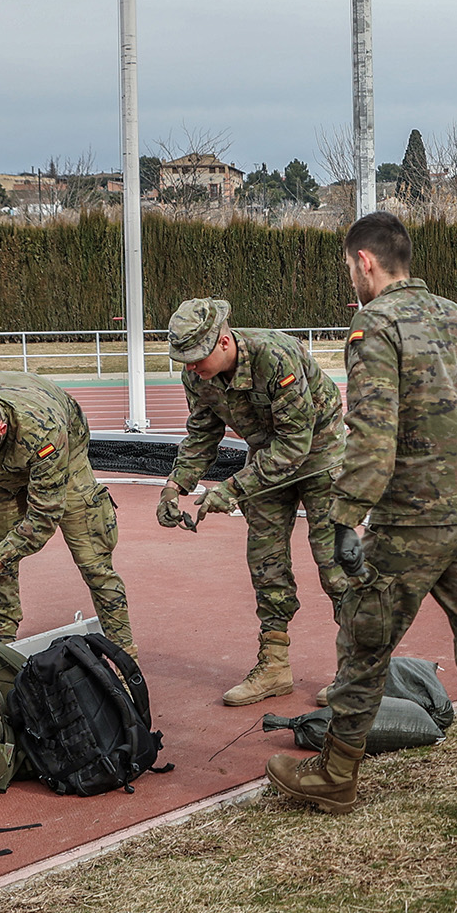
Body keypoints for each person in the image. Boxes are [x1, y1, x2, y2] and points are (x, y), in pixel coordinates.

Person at [266, 210, 457, 832]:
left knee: (364, 641)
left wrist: (345, 516)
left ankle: (336, 776)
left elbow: (373, 435)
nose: (353, 276)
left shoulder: (375, 324)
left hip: (412, 522)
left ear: (364, 262)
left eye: (350, 266)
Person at [157, 297, 348, 707]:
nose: (191, 367)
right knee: (266, 561)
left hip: (319, 453)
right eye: (184, 360)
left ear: (224, 341)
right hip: (265, 454)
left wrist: (231, 489)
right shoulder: (197, 376)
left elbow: (296, 442)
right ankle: (275, 666)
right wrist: (177, 485)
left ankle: (357, 669)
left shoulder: (275, 356)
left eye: (196, 357)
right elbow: (202, 433)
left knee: (334, 561)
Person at [0, 370, 133, 654]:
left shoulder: (44, 434)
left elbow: (41, 521)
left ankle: (126, 658)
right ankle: (1, 652)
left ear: (0, 429)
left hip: (65, 458)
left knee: (94, 564)